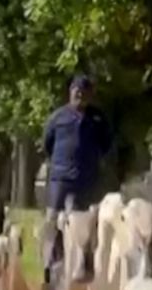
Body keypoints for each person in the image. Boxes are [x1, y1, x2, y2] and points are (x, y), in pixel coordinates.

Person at [42, 75, 113, 211]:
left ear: (90, 95)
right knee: (53, 218)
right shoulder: (58, 117)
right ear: (70, 92)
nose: (80, 94)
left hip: (87, 179)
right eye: (77, 90)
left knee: (86, 220)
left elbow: (106, 143)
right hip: (61, 178)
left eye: (84, 91)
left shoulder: (97, 118)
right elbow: (47, 143)